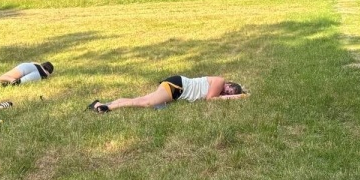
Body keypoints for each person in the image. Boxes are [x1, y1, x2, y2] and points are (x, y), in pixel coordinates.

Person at [91, 76, 248, 111]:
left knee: (143, 99)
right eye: (228, 90)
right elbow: (210, 99)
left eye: (228, 94)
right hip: (178, 86)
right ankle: (108, 108)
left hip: (178, 88)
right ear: (229, 84)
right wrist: (240, 96)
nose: (225, 92)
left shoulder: (220, 91)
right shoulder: (220, 81)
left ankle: (100, 104)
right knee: (147, 103)